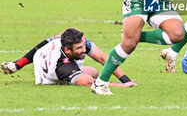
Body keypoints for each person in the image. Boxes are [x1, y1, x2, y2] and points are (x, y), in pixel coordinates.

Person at [1, 28, 136, 87]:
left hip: (44, 54)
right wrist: (122, 86)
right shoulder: (62, 66)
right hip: (47, 76)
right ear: (67, 50)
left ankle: (17, 64)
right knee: (89, 76)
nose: (84, 49)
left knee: (94, 72)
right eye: (79, 48)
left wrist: (125, 79)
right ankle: (18, 64)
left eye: (84, 46)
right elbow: (88, 83)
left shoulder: (76, 41)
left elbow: (102, 58)